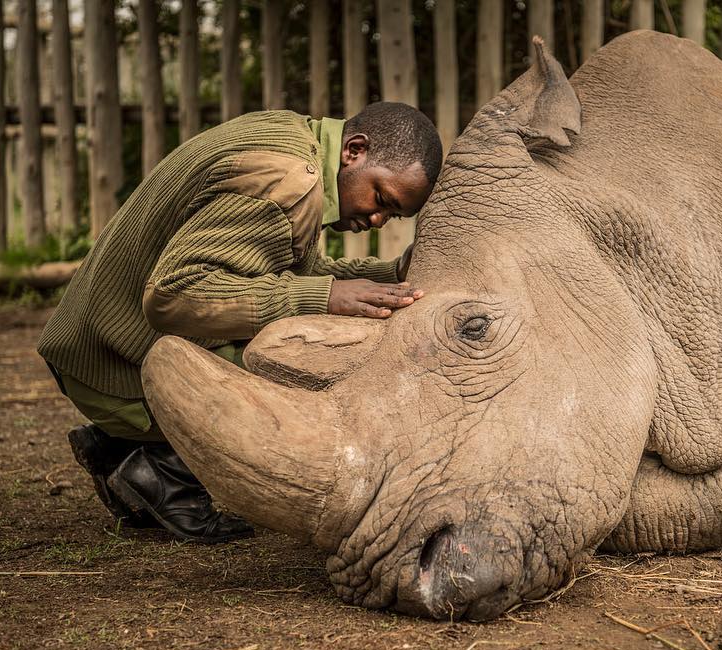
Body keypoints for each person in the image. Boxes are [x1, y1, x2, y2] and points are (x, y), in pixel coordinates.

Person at [37, 102, 443, 544]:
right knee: (320, 362)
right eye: (382, 198)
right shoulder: (288, 182)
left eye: (394, 215)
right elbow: (173, 295)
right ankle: (160, 467)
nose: (378, 219)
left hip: (94, 343)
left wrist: (392, 276)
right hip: (111, 366)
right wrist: (322, 298)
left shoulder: (294, 140)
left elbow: (288, 273)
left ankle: (126, 447)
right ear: (355, 150)